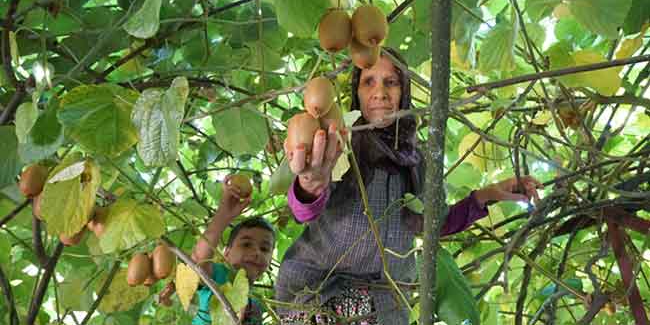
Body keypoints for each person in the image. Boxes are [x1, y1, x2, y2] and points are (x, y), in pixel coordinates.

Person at [275, 48, 542, 324]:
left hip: (382, 307)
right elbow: (303, 211)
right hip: (319, 294)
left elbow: (434, 223)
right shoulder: (339, 143)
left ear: (405, 91)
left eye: (391, 82)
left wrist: (490, 194)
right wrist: (311, 181)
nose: (380, 92)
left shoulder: (418, 159)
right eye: (369, 82)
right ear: (356, 92)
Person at [174, 175, 275, 325]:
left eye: (265, 248)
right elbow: (198, 261)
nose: (257, 252)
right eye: (246, 244)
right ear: (226, 253)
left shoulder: (257, 305)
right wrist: (223, 215)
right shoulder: (219, 275)